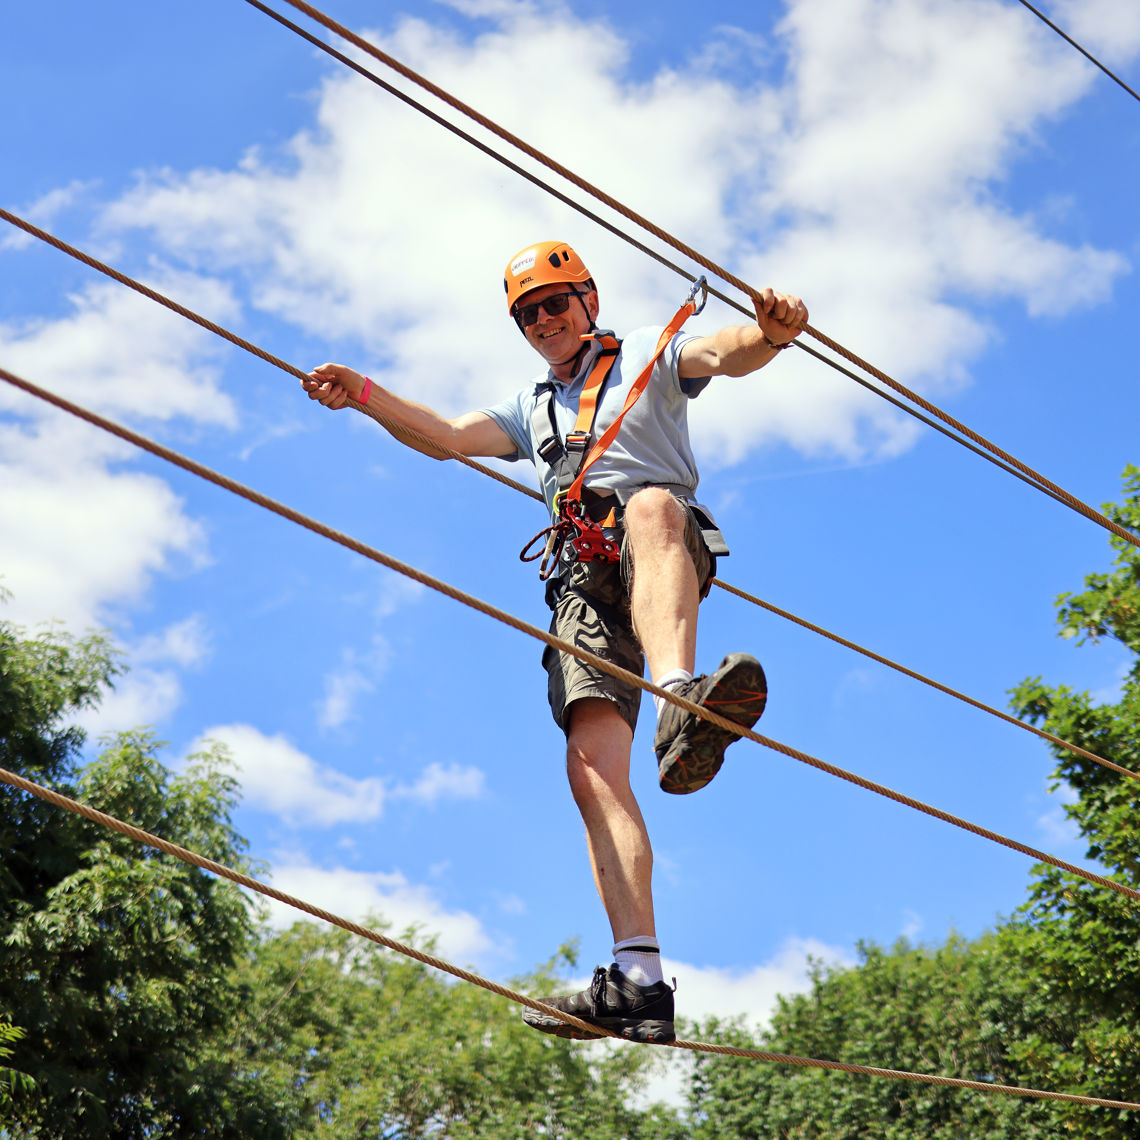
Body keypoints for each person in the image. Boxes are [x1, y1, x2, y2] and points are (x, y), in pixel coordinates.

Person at [303, 241, 807, 1044]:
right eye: (527, 313)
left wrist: (772, 334)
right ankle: (638, 980)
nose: (543, 321)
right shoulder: (531, 406)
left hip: (656, 542)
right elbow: (444, 436)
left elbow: (725, 351)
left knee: (647, 505)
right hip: (582, 579)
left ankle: (680, 697)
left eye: (556, 303)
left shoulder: (650, 347)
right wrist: (362, 393)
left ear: (589, 300)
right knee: (591, 770)